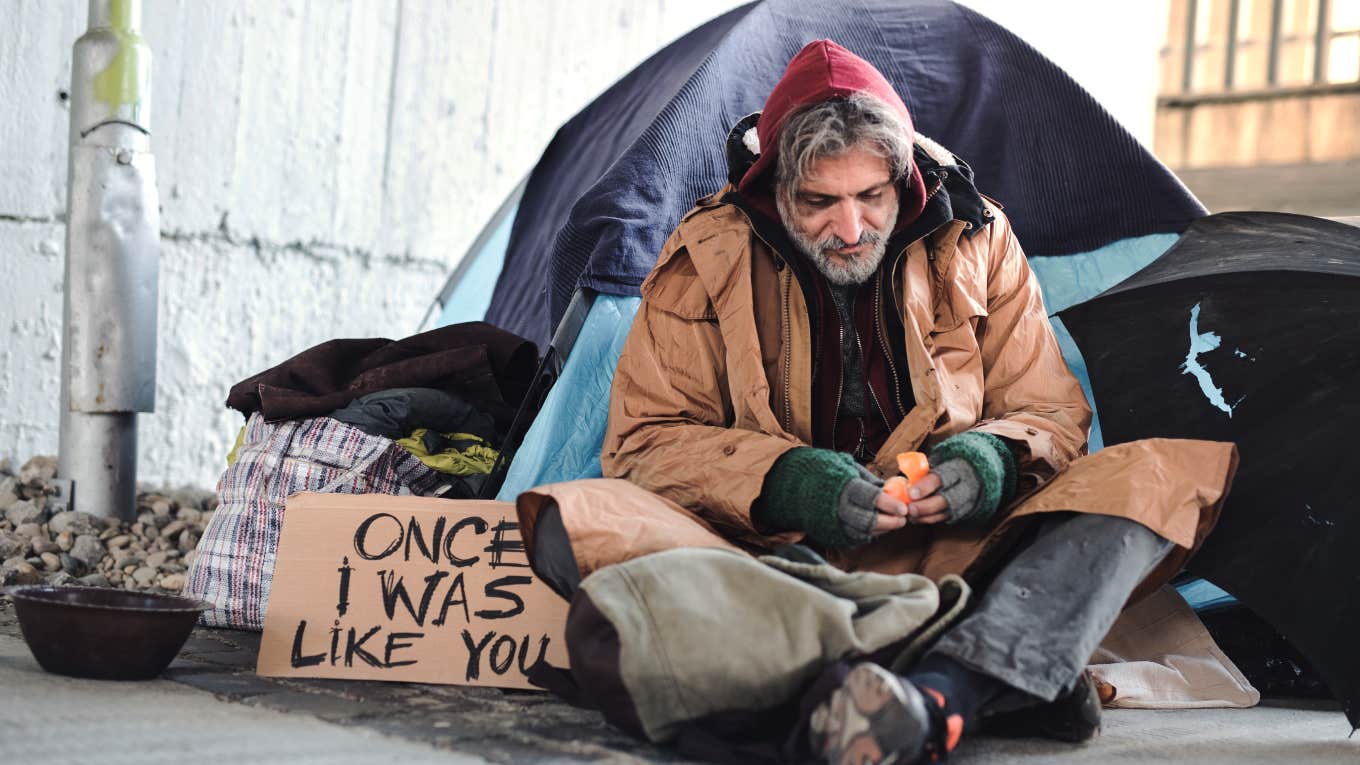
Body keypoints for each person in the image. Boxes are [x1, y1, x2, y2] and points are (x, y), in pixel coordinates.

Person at [599, 40, 1234, 764]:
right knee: (591, 533)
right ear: (776, 189)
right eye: (819, 202)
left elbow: (1051, 413)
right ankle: (984, 681)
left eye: (871, 196)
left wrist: (987, 460)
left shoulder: (979, 237)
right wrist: (786, 480)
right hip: (781, 560)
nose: (849, 228)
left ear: (903, 179)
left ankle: (922, 689)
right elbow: (644, 442)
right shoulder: (707, 252)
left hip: (959, 548)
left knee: (1154, 475)